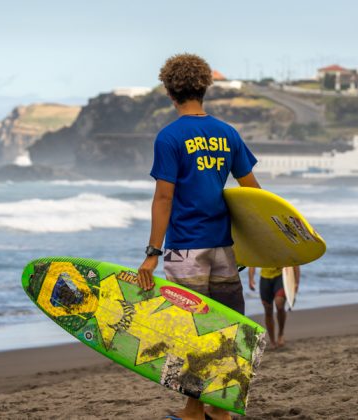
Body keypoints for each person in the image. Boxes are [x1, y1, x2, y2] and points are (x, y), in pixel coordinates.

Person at [136, 53, 261, 420]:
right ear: (204, 88)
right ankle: (219, 412)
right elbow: (253, 194)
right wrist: (259, 246)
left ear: (169, 91)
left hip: (186, 249)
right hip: (224, 247)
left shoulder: (170, 136)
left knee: (188, 328)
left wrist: (152, 252)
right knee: (224, 326)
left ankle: (193, 411)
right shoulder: (227, 133)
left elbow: (164, 197)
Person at [248, 266, 300, 349]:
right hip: (265, 277)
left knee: (279, 304)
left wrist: (296, 282)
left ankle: (280, 334)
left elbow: (294, 262)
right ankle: (272, 340)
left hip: (281, 275)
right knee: (268, 310)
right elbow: (253, 260)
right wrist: (251, 278)